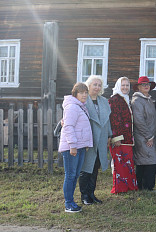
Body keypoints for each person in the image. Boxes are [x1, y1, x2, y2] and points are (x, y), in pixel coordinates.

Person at [59, 82, 93, 213]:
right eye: (81, 92)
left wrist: (84, 144)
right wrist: (73, 146)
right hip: (71, 147)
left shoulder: (80, 107)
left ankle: (71, 201)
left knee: (75, 175)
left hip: (80, 146)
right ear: (75, 94)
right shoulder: (72, 107)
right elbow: (68, 127)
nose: (84, 95)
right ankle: (68, 204)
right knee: (70, 175)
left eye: (86, 92)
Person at [79, 75, 112, 205]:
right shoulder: (83, 100)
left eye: (99, 85)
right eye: (95, 84)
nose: (97, 87)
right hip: (88, 139)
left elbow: (107, 120)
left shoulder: (103, 101)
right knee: (86, 168)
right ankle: (84, 195)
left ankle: (92, 194)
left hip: (101, 139)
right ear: (88, 85)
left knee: (95, 167)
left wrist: (109, 135)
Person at [109, 77, 138, 193]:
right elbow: (113, 120)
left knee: (128, 163)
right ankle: (120, 188)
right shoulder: (114, 99)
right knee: (120, 164)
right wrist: (116, 138)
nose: (125, 87)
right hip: (119, 139)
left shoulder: (125, 99)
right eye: (123, 85)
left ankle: (129, 186)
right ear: (118, 86)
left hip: (128, 138)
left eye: (127, 85)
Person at [131, 77, 156, 191]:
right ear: (138, 87)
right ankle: (145, 187)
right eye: (143, 84)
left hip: (150, 136)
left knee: (146, 161)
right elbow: (139, 120)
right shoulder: (137, 101)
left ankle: (145, 187)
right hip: (143, 136)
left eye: (147, 84)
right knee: (148, 161)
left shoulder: (149, 100)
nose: (146, 86)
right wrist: (149, 136)